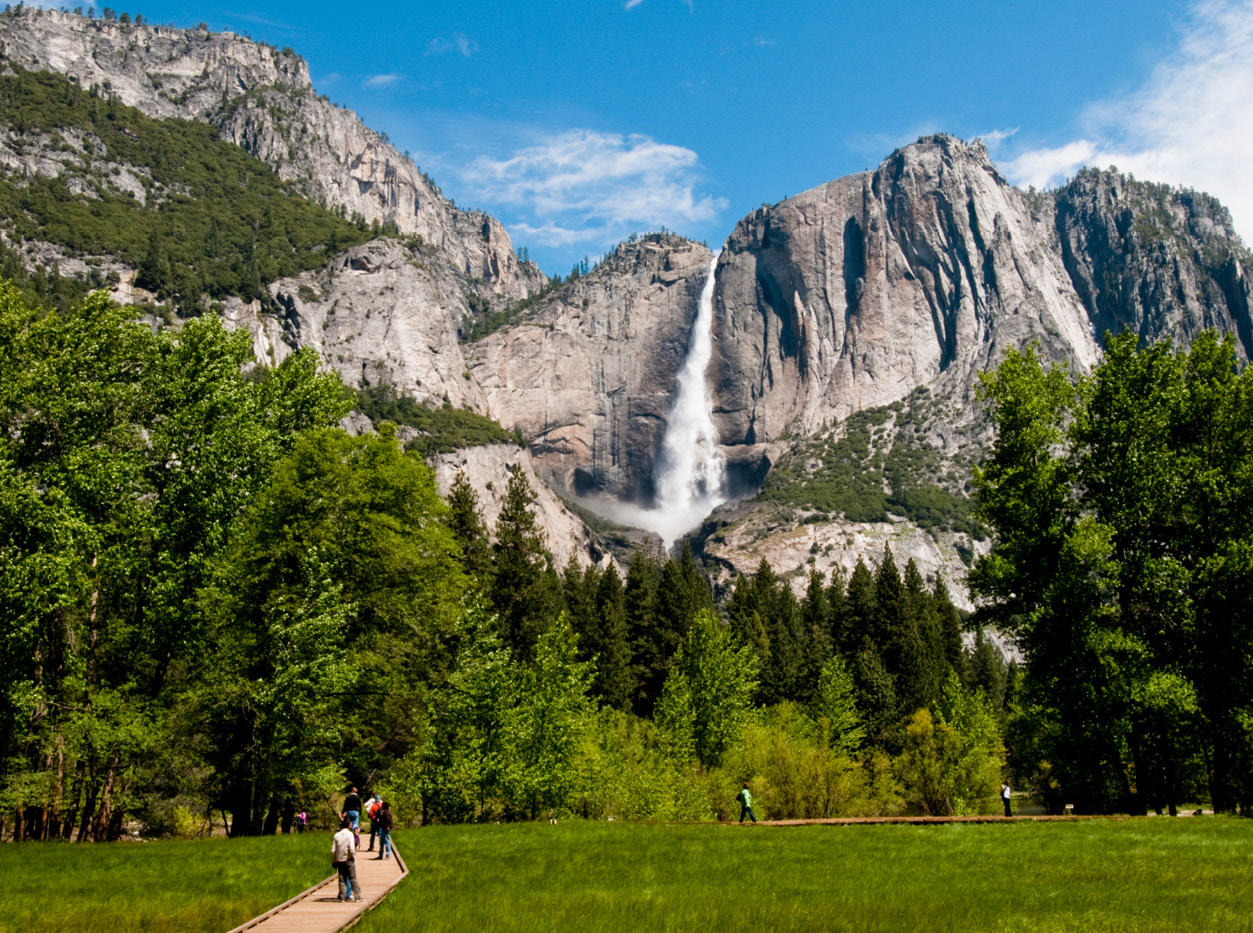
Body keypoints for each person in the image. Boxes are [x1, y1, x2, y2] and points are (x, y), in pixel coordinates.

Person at [331, 818, 360, 902]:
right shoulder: (350, 834)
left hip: (339, 860)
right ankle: (357, 896)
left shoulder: (336, 835)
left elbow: (333, 850)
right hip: (348, 859)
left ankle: (342, 897)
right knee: (352, 878)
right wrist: (353, 856)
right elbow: (351, 848)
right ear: (348, 825)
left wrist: (334, 860)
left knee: (342, 879)